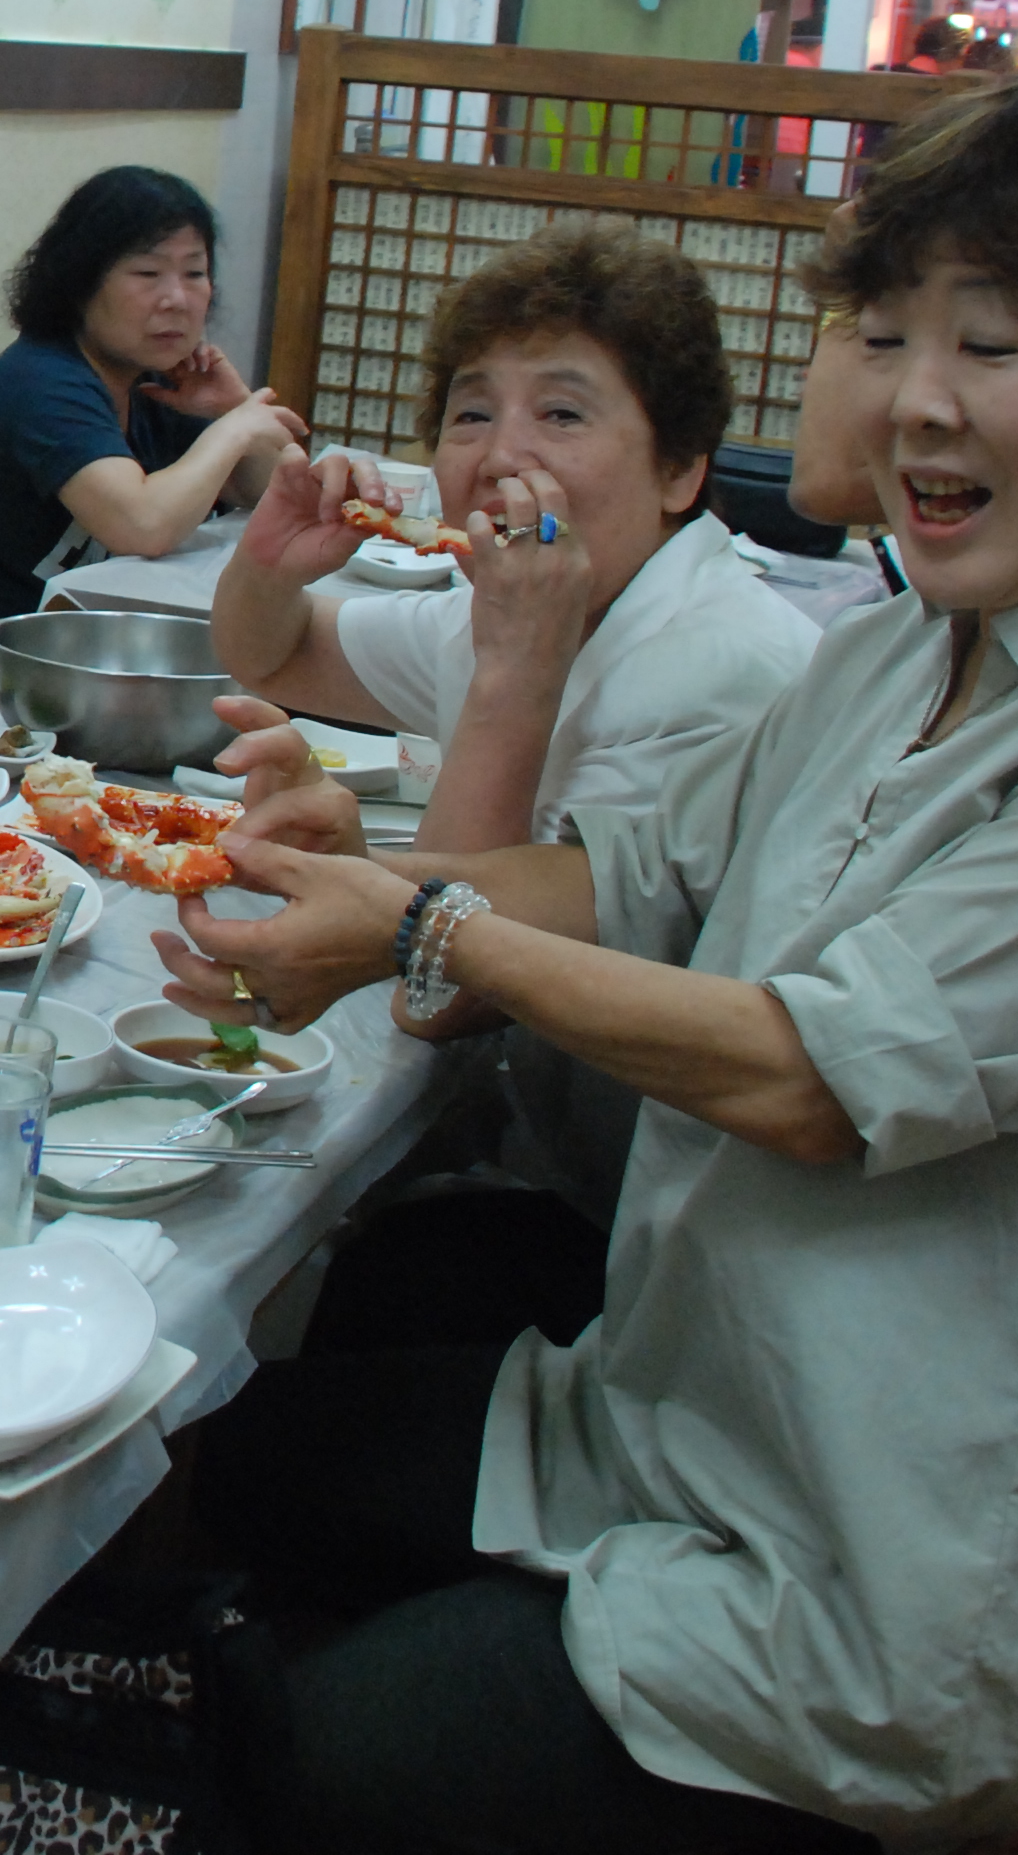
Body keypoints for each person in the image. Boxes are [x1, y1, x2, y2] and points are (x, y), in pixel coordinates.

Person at [162, 73, 1018, 1848]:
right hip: (667, 1413)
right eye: (879, 332)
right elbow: (627, 872)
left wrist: (413, 919)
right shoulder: (908, 643)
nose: (911, 402)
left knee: (323, 1754)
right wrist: (358, 865)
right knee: (171, 1480)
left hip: (892, 1583)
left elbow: (810, 1074)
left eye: (989, 345)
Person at [209, 225, 821, 1341]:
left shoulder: (716, 667)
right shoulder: (512, 605)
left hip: (644, 1237)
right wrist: (268, 555)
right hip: (531, 1137)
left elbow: (439, 998)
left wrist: (511, 673)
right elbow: (273, 653)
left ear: (681, 470)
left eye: (563, 413)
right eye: (472, 411)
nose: (500, 453)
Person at [0, 167, 301, 673]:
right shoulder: (43, 381)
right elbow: (142, 525)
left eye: (194, 273)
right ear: (79, 284)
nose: (176, 298)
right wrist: (237, 428)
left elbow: (279, 499)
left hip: (67, 664)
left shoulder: (158, 380)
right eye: (147, 274)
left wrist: (233, 408)